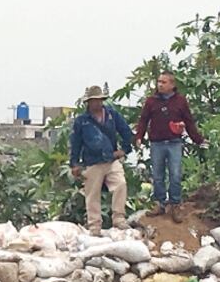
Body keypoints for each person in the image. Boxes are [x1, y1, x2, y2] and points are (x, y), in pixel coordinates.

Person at [133, 72, 205, 223]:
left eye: (164, 82)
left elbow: (189, 122)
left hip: (174, 143)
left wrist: (198, 140)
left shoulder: (180, 101)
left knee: (175, 175)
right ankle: (160, 204)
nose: (160, 85)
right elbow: (143, 120)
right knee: (158, 176)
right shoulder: (151, 101)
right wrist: (139, 136)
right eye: (159, 82)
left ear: (172, 85)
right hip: (156, 143)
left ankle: (175, 205)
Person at [70, 85, 135, 234]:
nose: (96, 103)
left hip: (111, 159)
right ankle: (94, 226)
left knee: (120, 184)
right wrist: (74, 163)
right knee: (92, 195)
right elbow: (75, 143)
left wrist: (124, 150)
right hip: (92, 162)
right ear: (88, 102)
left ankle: (119, 219)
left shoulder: (112, 115)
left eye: (99, 100)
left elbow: (126, 132)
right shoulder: (82, 121)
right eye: (93, 101)